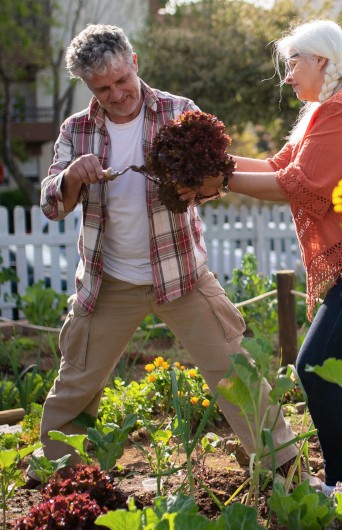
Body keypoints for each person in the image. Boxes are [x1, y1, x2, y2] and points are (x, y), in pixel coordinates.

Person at [35, 24, 298, 480]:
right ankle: (62, 479)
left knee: (236, 371)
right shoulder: (75, 130)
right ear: (87, 87)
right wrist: (72, 177)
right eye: (102, 89)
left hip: (182, 277)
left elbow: (217, 181)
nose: (116, 94)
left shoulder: (180, 113)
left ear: (134, 63)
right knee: (77, 381)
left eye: (121, 81)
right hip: (109, 281)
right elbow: (51, 203)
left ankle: (286, 470)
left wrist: (197, 184)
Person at [186, 20, 342, 511]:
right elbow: (278, 168)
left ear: (321, 60)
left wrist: (219, 178)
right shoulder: (325, 111)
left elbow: (302, 183)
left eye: (293, 63)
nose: (288, 75)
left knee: (314, 368)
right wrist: (213, 164)